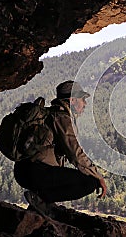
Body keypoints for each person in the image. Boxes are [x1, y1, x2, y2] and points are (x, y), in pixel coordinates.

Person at [14, 80, 107, 216]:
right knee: (89, 183)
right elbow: (75, 153)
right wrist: (98, 176)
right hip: (37, 172)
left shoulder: (50, 114)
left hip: (25, 172)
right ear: (73, 100)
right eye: (82, 100)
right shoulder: (61, 118)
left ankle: (42, 202)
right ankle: (41, 199)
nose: (85, 104)